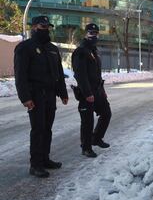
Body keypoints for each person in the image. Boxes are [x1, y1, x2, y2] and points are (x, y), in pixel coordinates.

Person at [14, 15, 68, 178]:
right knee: (38, 129)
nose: (46, 30)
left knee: (47, 129)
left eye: (48, 27)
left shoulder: (52, 48)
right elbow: (20, 75)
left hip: (50, 94)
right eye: (43, 27)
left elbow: (58, 73)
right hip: (35, 95)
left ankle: (45, 159)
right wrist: (25, 97)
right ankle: (35, 164)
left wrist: (63, 93)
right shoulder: (25, 47)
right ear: (34, 28)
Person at [71, 23, 111, 158]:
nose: (94, 35)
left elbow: (97, 74)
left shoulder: (94, 51)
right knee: (87, 122)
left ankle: (96, 138)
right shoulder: (80, 51)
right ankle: (86, 147)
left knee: (106, 113)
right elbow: (80, 75)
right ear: (86, 34)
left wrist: (102, 90)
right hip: (86, 93)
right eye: (91, 33)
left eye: (96, 33)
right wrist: (87, 93)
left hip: (98, 91)